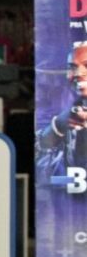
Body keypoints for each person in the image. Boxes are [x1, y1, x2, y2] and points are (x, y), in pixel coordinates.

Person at [37, 41, 87, 174]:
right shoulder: (68, 112)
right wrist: (57, 126)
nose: (78, 73)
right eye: (73, 67)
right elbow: (42, 170)